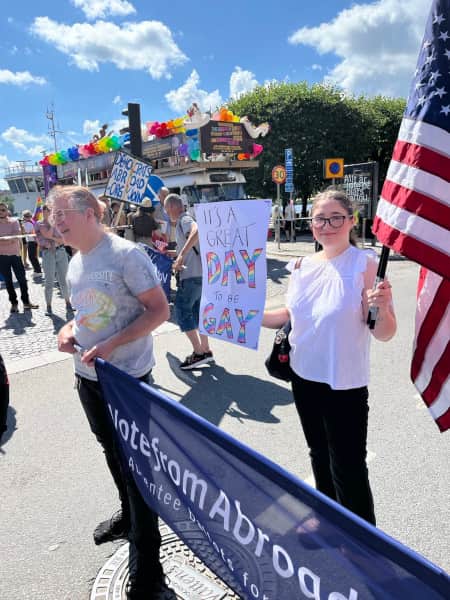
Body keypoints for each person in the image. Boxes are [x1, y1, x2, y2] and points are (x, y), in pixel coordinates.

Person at [52, 185, 170, 600]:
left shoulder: (126, 255)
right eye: (51, 215)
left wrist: (114, 344)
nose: (55, 221)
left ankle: (149, 570)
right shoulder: (75, 262)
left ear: (88, 213)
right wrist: (68, 333)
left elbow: (160, 310)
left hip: (128, 383)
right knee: (110, 451)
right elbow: (80, 315)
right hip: (88, 379)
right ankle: (127, 519)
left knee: (139, 470)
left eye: (61, 212)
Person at [263, 189, 397, 526]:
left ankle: (363, 544)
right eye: (320, 218)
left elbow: (384, 333)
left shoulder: (365, 265)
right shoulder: (303, 266)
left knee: (349, 466)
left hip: (344, 382)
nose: (327, 225)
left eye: (336, 217)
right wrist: (245, 315)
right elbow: (289, 314)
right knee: (319, 455)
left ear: (352, 220)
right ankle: (328, 523)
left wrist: (379, 309)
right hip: (304, 376)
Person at [164, 193, 213, 369]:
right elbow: (192, 246)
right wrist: (175, 254)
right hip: (201, 275)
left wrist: (181, 255)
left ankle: (199, 352)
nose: (165, 211)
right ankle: (206, 349)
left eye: (165, 207)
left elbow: (196, 230)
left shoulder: (184, 219)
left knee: (182, 311)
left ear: (171, 207)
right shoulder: (183, 221)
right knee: (199, 313)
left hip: (191, 276)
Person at [0, 201, 38, 313]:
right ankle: (14, 303)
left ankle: (26, 302)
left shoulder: (14, 221)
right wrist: (8, 239)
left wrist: (2, 239)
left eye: (3, 210)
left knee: (22, 280)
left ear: (7, 211)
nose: (1, 212)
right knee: (8, 282)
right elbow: (10, 238)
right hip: (2, 257)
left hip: (15, 255)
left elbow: (15, 237)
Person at [34, 205, 72, 316]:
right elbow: (46, 235)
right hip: (48, 253)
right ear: (43, 211)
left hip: (60, 252)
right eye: (46, 210)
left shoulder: (58, 223)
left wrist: (54, 239)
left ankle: (68, 302)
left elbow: (63, 240)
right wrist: (51, 227)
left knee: (64, 280)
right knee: (49, 281)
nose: (49, 212)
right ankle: (49, 306)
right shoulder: (39, 224)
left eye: (50, 210)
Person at [22, 210, 42, 275]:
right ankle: (37, 270)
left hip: (32, 241)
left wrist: (22, 229)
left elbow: (25, 232)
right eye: (26, 216)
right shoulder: (29, 223)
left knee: (32, 257)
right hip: (31, 241)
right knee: (32, 257)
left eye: (28, 216)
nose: (27, 217)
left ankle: (38, 271)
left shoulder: (29, 223)